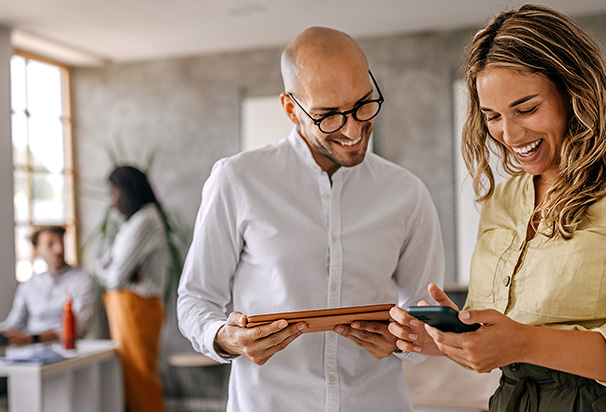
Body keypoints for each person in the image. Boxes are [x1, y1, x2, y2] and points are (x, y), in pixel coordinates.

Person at [389, 5, 606, 411]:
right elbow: (501, 334)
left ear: (575, 92)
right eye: (492, 116)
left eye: (526, 109)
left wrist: (525, 342)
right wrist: (442, 340)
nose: (509, 134)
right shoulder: (503, 199)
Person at [177, 27, 445, 412]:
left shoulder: (408, 192)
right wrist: (224, 336)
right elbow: (196, 298)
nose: (352, 129)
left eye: (363, 104)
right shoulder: (238, 179)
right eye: (328, 116)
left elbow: (425, 316)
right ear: (291, 109)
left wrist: (408, 340)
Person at [95, 165, 171, 412]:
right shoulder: (131, 223)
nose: (112, 200)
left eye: (114, 192)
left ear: (127, 191)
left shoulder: (146, 220)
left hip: (137, 308)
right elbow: (103, 264)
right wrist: (117, 271)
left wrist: (113, 270)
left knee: (140, 378)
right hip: (127, 307)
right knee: (132, 379)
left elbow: (113, 276)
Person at [0, 226, 97, 345]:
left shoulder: (82, 279)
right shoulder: (29, 285)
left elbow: (78, 328)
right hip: (29, 349)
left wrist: (31, 339)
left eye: (61, 242)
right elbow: (13, 324)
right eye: (50, 244)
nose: (59, 249)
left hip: (66, 348)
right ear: (37, 250)